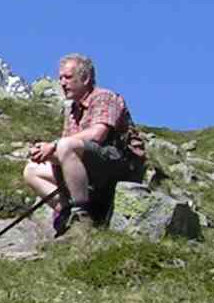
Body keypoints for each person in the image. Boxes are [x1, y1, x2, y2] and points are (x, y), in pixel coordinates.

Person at [24, 53, 147, 233]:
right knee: (32, 169)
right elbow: (67, 148)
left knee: (66, 145)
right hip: (91, 166)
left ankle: (82, 213)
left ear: (86, 78)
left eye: (67, 77)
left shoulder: (104, 97)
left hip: (121, 164)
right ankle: (67, 213)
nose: (62, 83)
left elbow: (98, 134)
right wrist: (46, 151)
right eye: (60, 78)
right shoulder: (72, 109)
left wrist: (56, 145)